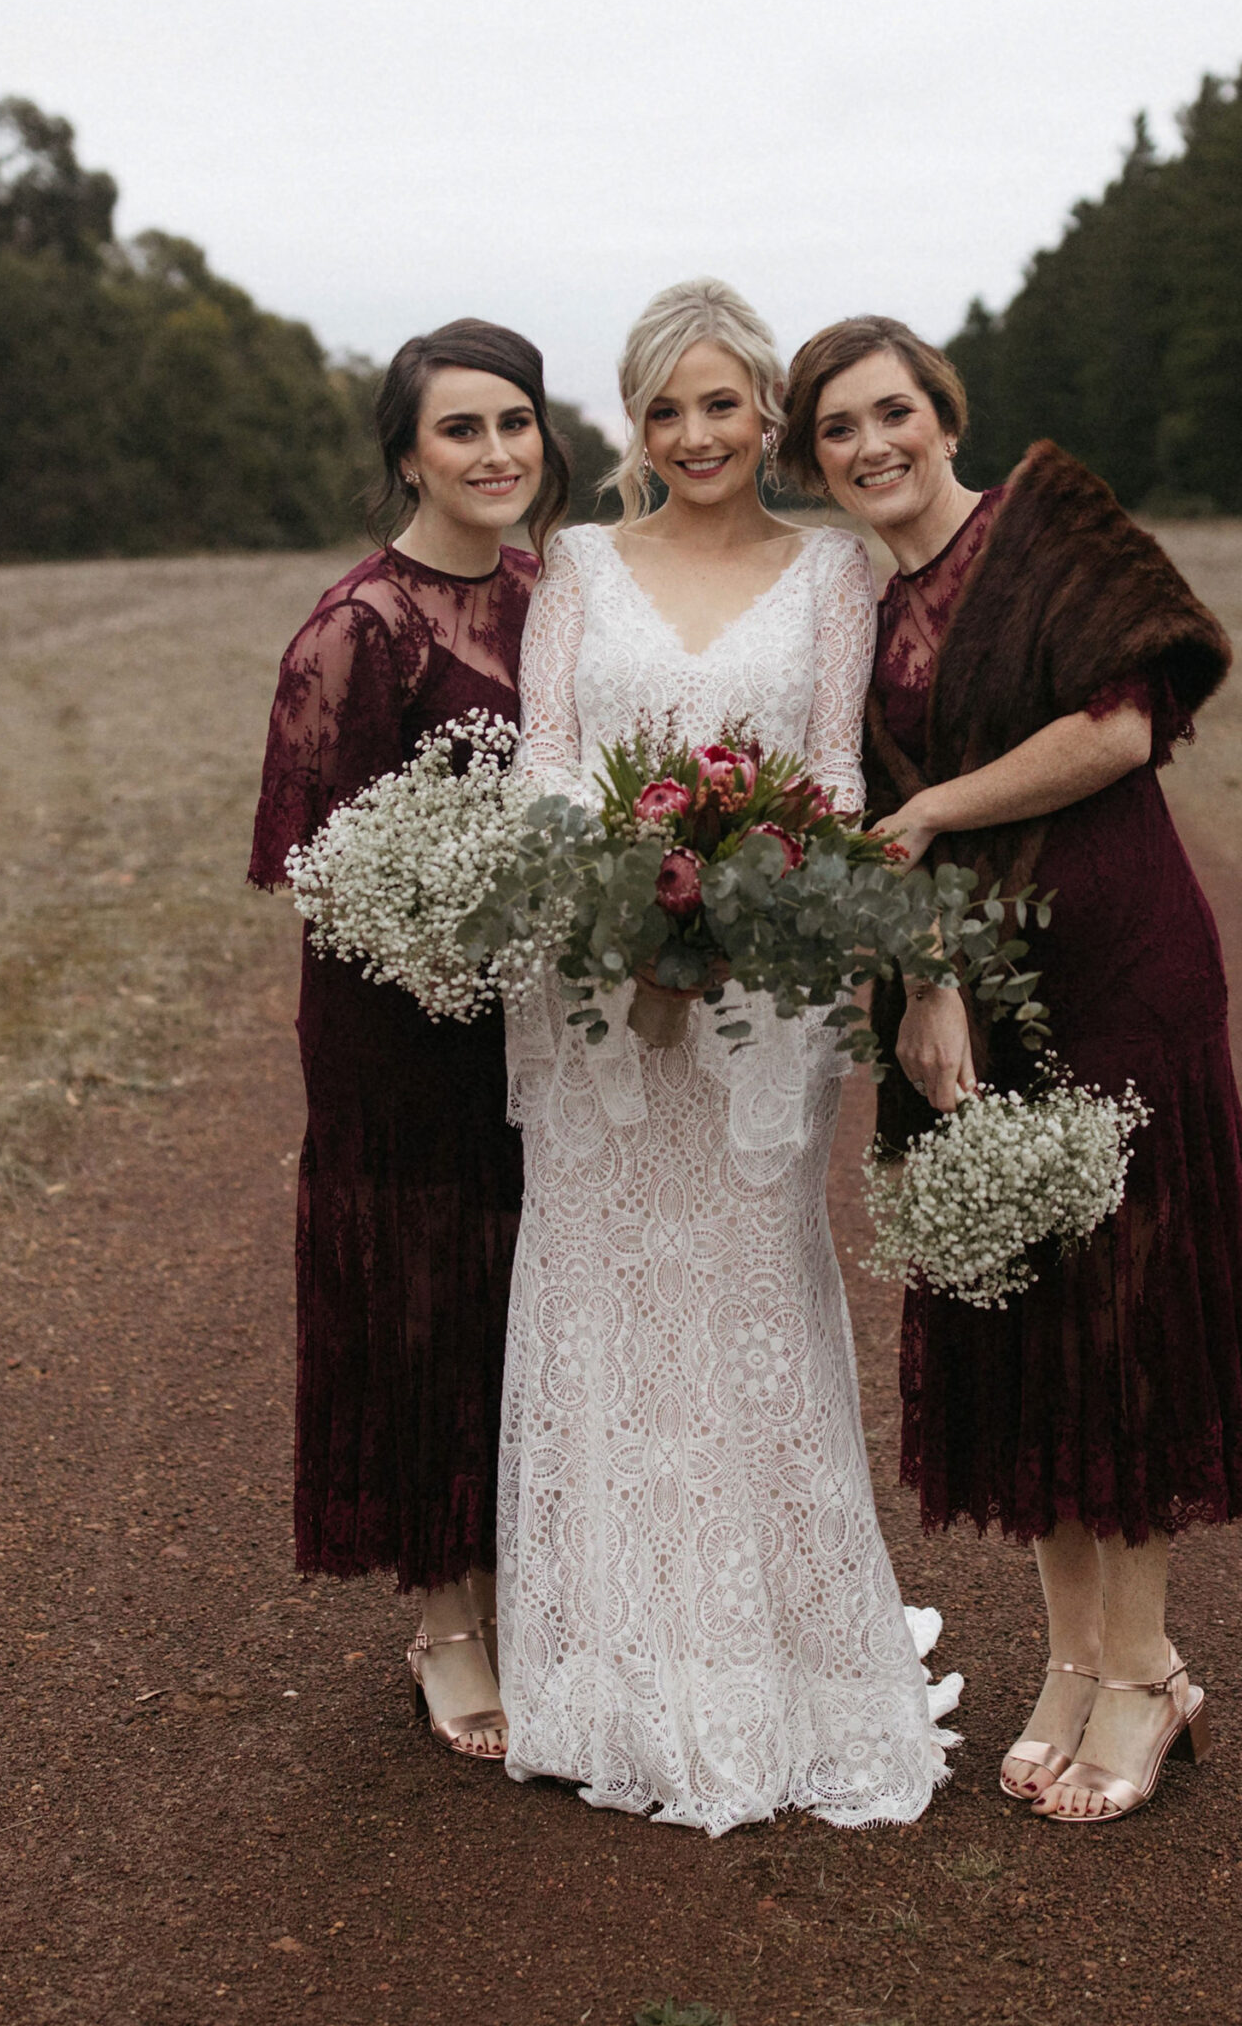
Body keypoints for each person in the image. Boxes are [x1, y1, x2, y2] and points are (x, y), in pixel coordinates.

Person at [779, 315, 1242, 1826]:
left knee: (1125, 1318)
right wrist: (926, 987)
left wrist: (942, 802)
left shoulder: (1053, 519)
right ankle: (1075, 1662)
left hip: (1118, 967)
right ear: (819, 464)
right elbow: (873, 825)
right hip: (973, 1003)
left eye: (894, 413)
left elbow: (1122, 729)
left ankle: (1144, 1669)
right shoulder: (864, 619)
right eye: (838, 433)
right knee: (1027, 1326)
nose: (874, 446)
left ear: (947, 412)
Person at [499, 278, 956, 1834]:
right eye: (665, 408)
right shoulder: (574, 563)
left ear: (769, 412)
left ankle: (780, 1665)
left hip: (765, 1001)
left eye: (723, 403)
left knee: (752, 1291)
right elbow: (551, 760)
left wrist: (748, 912)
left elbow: (830, 765)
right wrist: (613, 920)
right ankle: (613, 1673)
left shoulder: (833, 572)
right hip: (597, 1014)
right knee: (605, 1294)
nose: (697, 434)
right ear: (635, 425)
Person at [249, 320, 570, 1759]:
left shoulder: (552, 595)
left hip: (555, 1024)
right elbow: (322, 871)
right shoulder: (355, 632)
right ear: (405, 456)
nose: (496, 453)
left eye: (515, 423)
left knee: (539, 1303)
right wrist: (463, 941)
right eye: (461, 430)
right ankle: (448, 1623)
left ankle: (548, 1593)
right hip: (409, 1033)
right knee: (435, 1300)